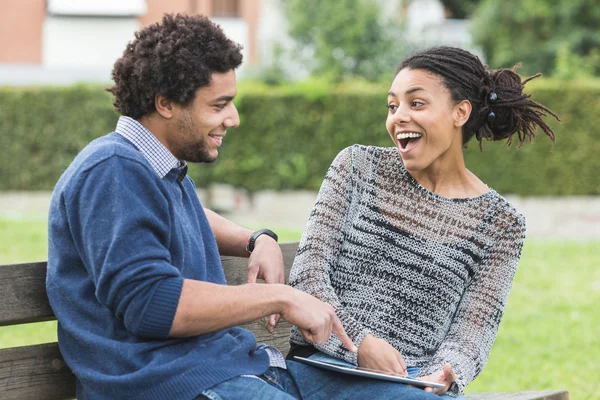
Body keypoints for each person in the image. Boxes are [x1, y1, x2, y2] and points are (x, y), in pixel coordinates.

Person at [46, 13, 440, 400]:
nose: (232, 119)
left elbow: (187, 216)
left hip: (236, 369)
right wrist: (281, 297)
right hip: (171, 382)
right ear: (165, 103)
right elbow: (151, 305)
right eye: (219, 105)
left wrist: (255, 239)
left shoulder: (151, 169)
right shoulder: (114, 168)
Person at [287, 45, 560, 398]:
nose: (398, 116)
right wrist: (360, 344)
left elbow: (473, 332)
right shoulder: (357, 167)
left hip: (413, 383)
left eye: (416, 103)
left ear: (460, 112)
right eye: (392, 105)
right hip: (320, 367)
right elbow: (307, 275)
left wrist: (445, 374)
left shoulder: (501, 224)